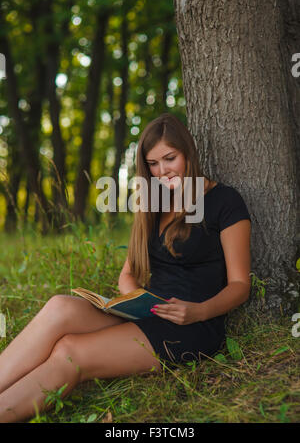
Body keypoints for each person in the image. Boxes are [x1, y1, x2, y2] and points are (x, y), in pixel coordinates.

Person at [0, 113, 251, 422]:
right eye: (153, 164)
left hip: (192, 326)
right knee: (59, 308)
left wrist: (199, 311)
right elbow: (127, 274)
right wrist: (134, 301)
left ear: (188, 151)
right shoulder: (155, 202)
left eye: (169, 158)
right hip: (147, 313)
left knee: (70, 352)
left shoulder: (225, 201)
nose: (162, 171)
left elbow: (240, 284)